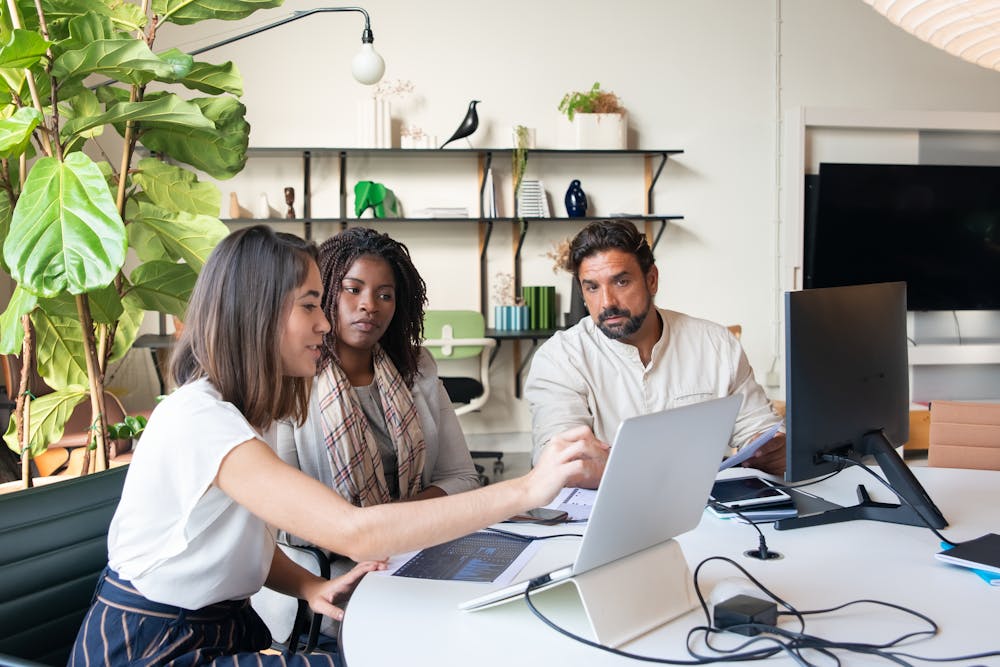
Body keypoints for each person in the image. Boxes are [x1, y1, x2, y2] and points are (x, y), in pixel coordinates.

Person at [69, 225, 600, 666]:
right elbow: (353, 530)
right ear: (258, 314)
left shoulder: (238, 413)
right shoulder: (201, 419)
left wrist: (306, 585)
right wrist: (530, 488)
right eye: (310, 305)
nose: (326, 322)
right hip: (154, 647)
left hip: (217, 627)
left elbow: (231, 541)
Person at [253, 227, 480, 644]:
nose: (368, 306)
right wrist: (385, 529)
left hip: (417, 558)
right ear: (323, 295)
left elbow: (462, 478)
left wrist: (394, 526)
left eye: (384, 295)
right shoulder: (291, 378)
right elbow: (285, 520)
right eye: (352, 289)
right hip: (327, 583)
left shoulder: (417, 368)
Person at [524, 219, 785, 489]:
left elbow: (761, 428)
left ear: (651, 280)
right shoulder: (559, 358)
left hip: (706, 511)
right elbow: (560, 461)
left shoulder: (716, 344)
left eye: (621, 282)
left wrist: (770, 448)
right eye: (592, 287)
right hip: (602, 515)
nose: (607, 303)